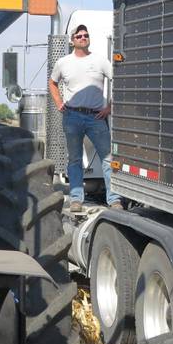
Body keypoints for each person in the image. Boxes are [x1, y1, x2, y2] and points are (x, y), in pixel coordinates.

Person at [49, 24, 122, 212]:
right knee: (74, 160)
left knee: (108, 159)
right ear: (72, 40)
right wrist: (58, 103)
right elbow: (52, 82)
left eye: (86, 35)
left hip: (96, 117)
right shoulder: (63, 62)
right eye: (79, 35)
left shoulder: (100, 61)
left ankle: (114, 199)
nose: (83, 37)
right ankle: (76, 200)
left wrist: (110, 107)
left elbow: (120, 78)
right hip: (72, 116)